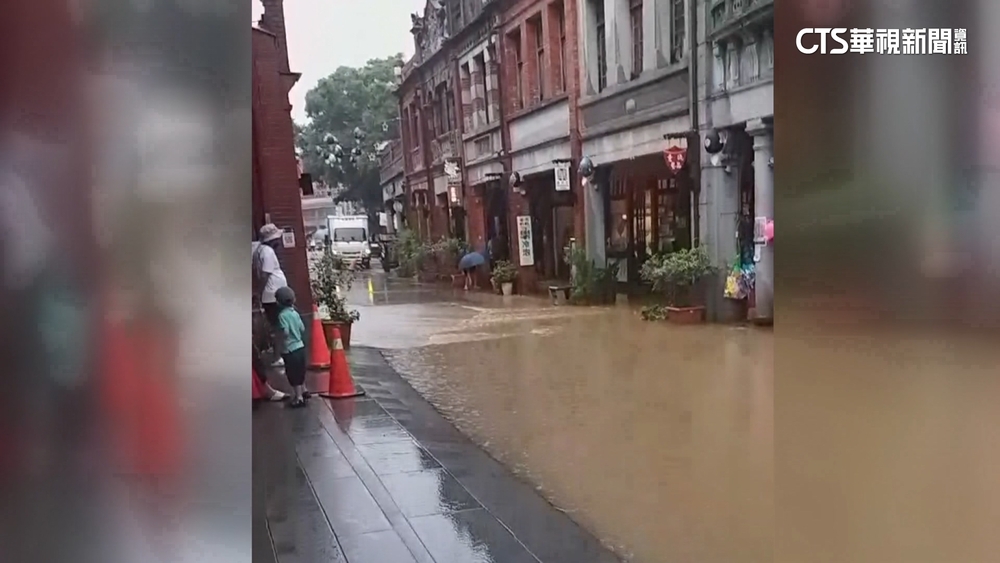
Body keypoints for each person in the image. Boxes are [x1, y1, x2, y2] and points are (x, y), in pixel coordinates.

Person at [253, 223, 287, 365]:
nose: (279, 241)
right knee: (278, 326)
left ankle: (278, 352)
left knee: (277, 324)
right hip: (273, 294)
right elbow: (265, 274)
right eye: (277, 238)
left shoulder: (262, 250)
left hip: (272, 293)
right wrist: (258, 292)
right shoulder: (267, 252)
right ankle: (278, 356)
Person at [274, 286, 308, 408]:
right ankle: (304, 390)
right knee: (301, 371)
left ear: (278, 302)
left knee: (293, 374)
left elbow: (286, 332)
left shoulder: (282, 316)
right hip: (300, 347)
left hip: (290, 349)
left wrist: (279, 338)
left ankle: (299, 398)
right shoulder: (295, 313)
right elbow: (302, 328)